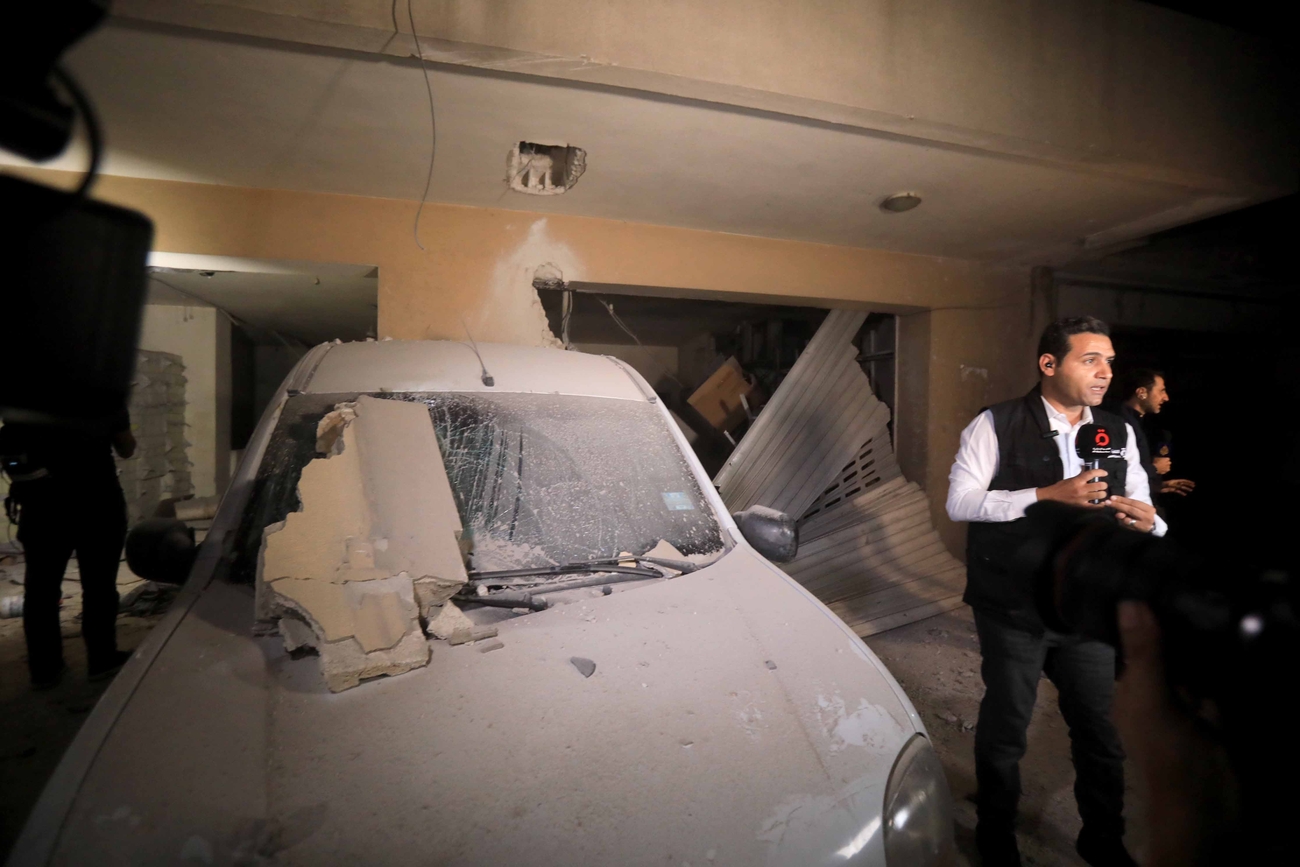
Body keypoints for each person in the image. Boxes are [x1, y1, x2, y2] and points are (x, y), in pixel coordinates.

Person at [946, 316, 1165, 867]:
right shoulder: (994, 424)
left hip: (1086, 610)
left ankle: (1103, 841)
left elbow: (1148, 509)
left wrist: (1148, 525)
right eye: (1090, 359)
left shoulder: (1117, 431)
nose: (1105, 372)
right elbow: (961, 502)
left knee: (1101, 734)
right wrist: (1046, 494)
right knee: (1007, 730)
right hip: (1013, 607)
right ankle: (997, 835)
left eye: (1110, 360)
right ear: (1049, 365)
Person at [0, 412, 135, 688]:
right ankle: (101, 661)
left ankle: (45, 671)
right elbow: (127, 447)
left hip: (41, 510)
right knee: (99, 587)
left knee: (40, 593)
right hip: (96, 504)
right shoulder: (102, 394)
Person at [1109, 369, 1195, 499]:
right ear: (1141, 392)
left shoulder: (1138, 422)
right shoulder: (1120, 422)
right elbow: (1116, 470)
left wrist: (1154, 486)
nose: (1166, 398)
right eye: (1161, 390)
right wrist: (1154, 468)